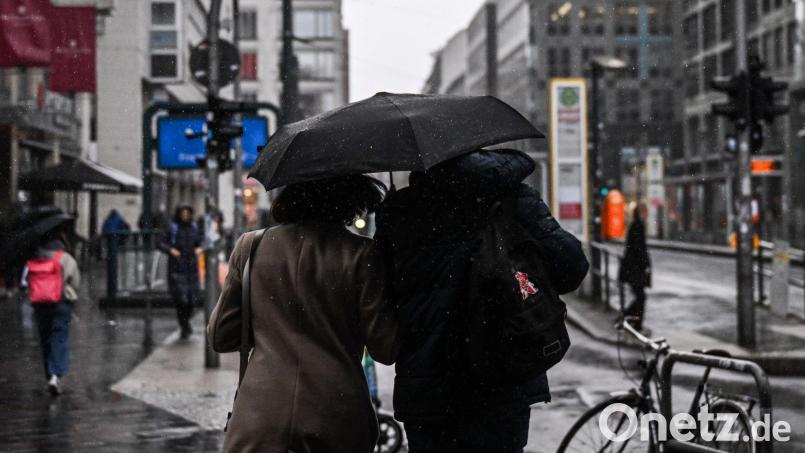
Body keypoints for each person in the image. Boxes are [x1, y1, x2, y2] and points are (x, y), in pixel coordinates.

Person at [375, 149, 589, 453]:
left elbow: (379, 294)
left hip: (427, 388)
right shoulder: (512, 199)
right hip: (502, 376)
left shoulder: (400, 212)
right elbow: (572, 268)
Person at [208, 175, 398, 453]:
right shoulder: (363, 255)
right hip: (336, 413)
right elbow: (386, 348)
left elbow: (221, 337)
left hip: (261, 414)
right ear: (350, 200)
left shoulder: (251, 247)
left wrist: (268, 316)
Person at [23, 225, 80, 396]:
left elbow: (27, 280)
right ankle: (55, 376)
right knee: (59, 337)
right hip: (61, 303)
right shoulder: (66, 258)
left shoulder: (36, 257)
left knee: (45, 338)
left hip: (40, 304)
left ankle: (49, 373)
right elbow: (75, 282)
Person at [159, 205, 203, 339]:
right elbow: (160, 242)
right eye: (183, 213)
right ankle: (184, 326)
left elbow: (201, 242)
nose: (185, 216)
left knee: (192, 300)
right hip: (176, 268)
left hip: (191, 268)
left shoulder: (194, 227)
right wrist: (171, 250)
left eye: (187, 213)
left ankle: (185, 322)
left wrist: (200, 248)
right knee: (180, 299)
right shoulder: (172, 227)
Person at [619, 202, 651, 331]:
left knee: (640, 297)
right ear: (641, 213)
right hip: (635, 269)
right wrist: (646, 264)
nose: (647, 214)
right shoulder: (638, 226)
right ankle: (633, 322)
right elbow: (639, 249)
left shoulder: (635, 225)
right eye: (645, 211)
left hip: (632, 269)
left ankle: (628, 318)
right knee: (641, 297)